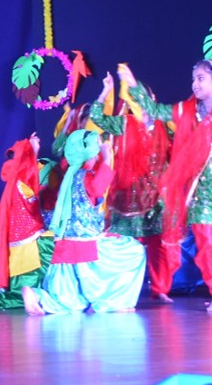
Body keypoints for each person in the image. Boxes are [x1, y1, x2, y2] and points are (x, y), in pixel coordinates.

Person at [117, 61, 212, 312]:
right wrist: (133, 85)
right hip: (203, 191)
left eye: (201, 78)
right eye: (193, 79)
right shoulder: (187, 111)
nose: (194, 84)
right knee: (208, 243)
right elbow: (154, 110)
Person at [22, 129, 146, 315]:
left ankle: (38, 296)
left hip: (64, 247)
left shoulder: (62, 179)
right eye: (95, 154)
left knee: (69, 302)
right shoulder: (83, 176)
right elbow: (97, 188)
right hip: (88, 246)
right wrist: (107, 158)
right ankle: (115, 302)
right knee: (133, 251)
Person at [86, 74, 177, 302]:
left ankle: (160, 289)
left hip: (157, 197)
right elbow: (96, 116)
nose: (140, 105)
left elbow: (179, 149)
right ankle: (119, 291)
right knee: (122, 245)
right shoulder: (124, 123)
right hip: (126, 196)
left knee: (160, 246)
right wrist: (105, 91)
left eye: (143, 99)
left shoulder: (164, 125)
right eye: (134, 100)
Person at [0, 135, 52, 312]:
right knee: (59, 247)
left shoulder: (14, 182)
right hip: (31, 242)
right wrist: (33, 151)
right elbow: (31, 177)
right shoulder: (23, 182)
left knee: (15, 291)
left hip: (17, 245)